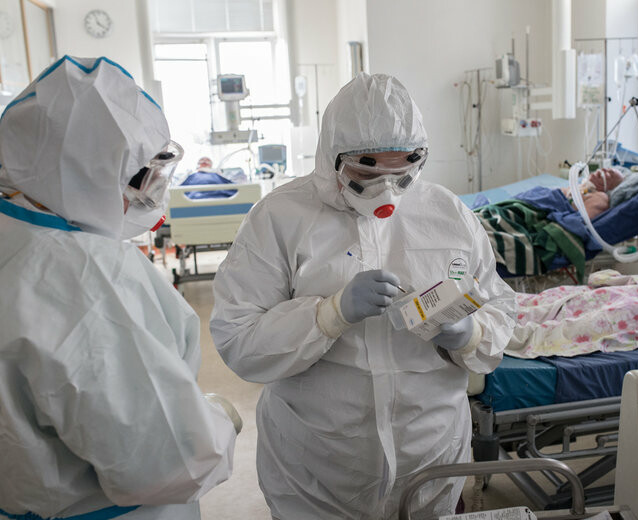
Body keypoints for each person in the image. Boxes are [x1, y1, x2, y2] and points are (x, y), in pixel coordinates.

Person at [210, 72, 516, 519]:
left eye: (403, 169)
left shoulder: (447, 214)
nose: (387, 188)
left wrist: (470, 334)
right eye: (367, 171)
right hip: (319, 467)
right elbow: (239, 340)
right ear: (332, 157)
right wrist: (328, 315)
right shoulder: (278, 217)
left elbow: (498, 305)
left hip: (430, 456)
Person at [0, 56, 241, 520]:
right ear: (91, 173)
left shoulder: (16, 232)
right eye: (140, 178)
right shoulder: (87, 274)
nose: (147, 197)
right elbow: (167, 460)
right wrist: (218, 422)